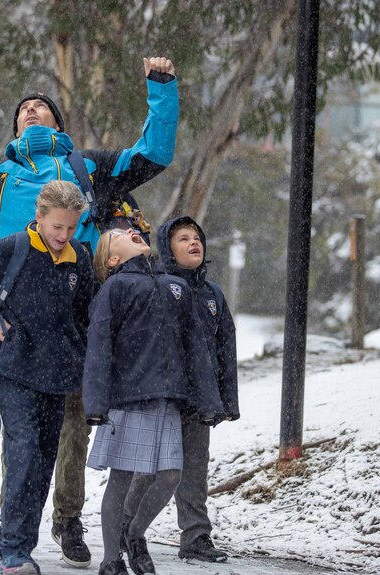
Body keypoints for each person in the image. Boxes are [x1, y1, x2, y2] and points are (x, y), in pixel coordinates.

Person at [0, 53, 180, 567]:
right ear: (16, 126)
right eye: (24, 109)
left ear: (59, 123)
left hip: (78, 320)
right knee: (20, 435)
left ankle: (67, 520)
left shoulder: (90, 168)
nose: (32, 111)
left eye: (42, 107)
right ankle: (12, 529)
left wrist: (162, 88)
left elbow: (154, 154)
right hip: (14, 325)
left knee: (73, 428)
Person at [0, 181, 95, 575]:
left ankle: (22, 544)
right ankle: (13, 552)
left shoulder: (79, 258)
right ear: (39, 216)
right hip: (14, 369)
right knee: (23, 452)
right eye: (56, 226)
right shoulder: (8, 249)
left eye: (71, 228)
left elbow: (84, 315)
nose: (63, 235)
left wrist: (82, 354)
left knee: (43, 460)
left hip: (58, 375)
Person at [83, 227, 226, 575]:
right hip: (129, 398)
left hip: (170, 399)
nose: (131, 230)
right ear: (112, 259)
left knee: (170, 475)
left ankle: (134, 535)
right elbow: (99, 346)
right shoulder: (115, 287)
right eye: (118, 234)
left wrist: (208, 399)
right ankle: (110, 559)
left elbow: (196, 346)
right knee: (122, 477)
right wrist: (96, 402)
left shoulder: (174, 286)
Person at [122, 216, 241, 565]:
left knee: (194, 469)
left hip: (200, 398)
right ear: (167, 250)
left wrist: (226, 400)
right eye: (183, 238)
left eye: (197, 238)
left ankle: (196, 535)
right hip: (164, 395)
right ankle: (125, 529)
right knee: (151, 468)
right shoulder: (157, 286)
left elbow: (226, 348)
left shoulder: (213, 294)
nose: (194, 243)